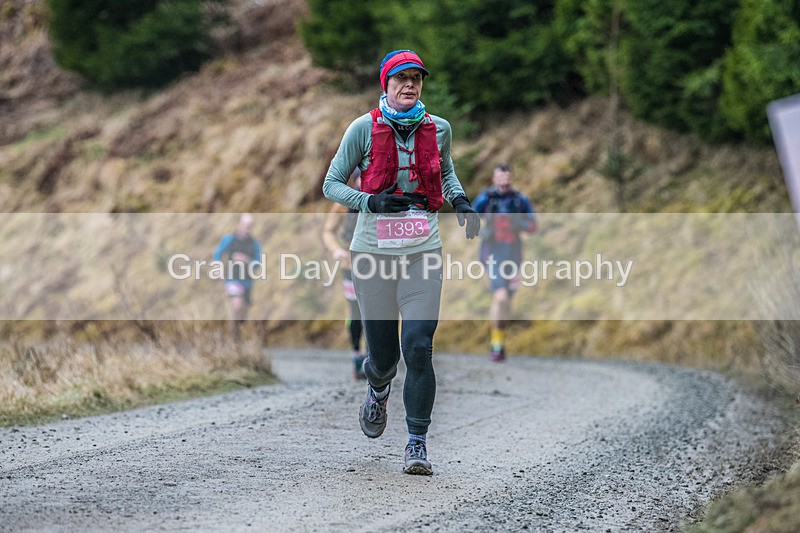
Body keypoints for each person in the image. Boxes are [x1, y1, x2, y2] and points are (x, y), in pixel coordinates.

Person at [322, 49, 480, 476]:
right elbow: (331, 184)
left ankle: (416, 442)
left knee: (419, 348)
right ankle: (377, 388)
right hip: (372, 255)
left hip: (422, 252)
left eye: (416, 78)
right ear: (385, 85)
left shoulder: (439, 128)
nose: (410, 84)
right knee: (385, 358)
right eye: (400, 79)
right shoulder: (361, 129)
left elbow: (445, 172)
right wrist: (370, 200)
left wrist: (461, 201)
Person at [473, 164, 537, 362]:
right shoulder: (486, 198)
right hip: (491, 253)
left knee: (507, 300)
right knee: (500, 296)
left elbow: (533, 225)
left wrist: (519, 224)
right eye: (500, 178)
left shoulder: (519, 200)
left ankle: (500, 340)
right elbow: (469, 217)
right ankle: (496, 344)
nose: (504, 182)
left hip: (514, 255)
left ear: (511, 179)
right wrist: (481, 230)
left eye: (507, 178)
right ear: (494, 179)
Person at [322, 168, 367, 380]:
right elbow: (328, 230)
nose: (362, 182)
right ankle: (357, 353)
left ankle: (373, 357)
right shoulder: (343, 202)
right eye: (360, 178)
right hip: (350, 266)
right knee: (355, 312)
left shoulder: (379, 199)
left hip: (379, 267)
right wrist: (336, 250)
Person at [212, 214, 262, 342]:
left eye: (250, 226)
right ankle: (232, 340)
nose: (248, 229)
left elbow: (258, 264)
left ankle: (236, 336)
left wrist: (247, 260)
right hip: (232, 279)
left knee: (243, 315)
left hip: (247, 282)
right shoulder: (229, 239)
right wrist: (217, 267)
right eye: (246, 226)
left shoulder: (255, 244)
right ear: (240, 225)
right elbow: (217, 254)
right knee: (237, 305)